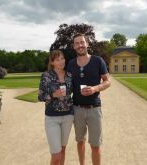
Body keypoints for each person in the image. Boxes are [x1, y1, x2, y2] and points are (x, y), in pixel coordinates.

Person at [67, 33, 111, 165]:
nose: (80, 45)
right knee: (80, 142)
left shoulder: (98, 61)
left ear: (87, 44)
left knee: (95, 145)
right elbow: (67, 84)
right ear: (74, 46)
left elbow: (107, 81)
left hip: (94, 109)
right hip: (77, 109)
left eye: (82, 42)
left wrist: (95, 89)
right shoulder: (71, 64)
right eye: (77, 43)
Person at [38, 50, 74, 165]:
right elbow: (40, 96)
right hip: (52, 118)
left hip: (68, 116)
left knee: (63, 150)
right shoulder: (46, 76)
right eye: (57, 59)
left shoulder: (69, 75)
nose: (61, 61)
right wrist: (53, 95)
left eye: (62, 58)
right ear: (52, 62)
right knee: (56, 154)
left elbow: (75, 92)